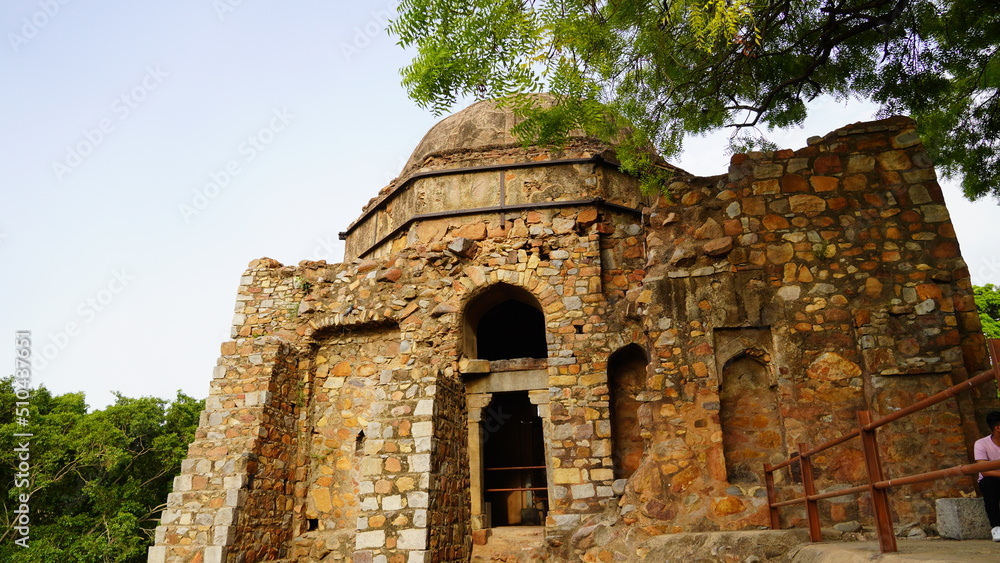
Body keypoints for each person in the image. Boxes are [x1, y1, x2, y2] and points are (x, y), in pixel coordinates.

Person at [975, 410, 1000, 542]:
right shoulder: (981, 443)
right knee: (989, 483)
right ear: (998, 427)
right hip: (993, 480)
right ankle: (997, 527)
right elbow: (984, 470)